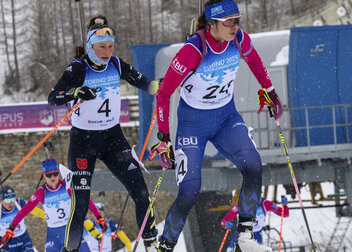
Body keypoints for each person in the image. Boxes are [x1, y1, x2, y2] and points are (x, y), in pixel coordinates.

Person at [148, 0, 284, 251]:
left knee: (253, 165)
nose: (235, 26)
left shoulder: (239, 39)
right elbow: (164, 93)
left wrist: (271, 91)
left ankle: (245, 235)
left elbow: (255, 62)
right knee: (189, 191)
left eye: (238, 20)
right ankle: (164, 246)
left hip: (225, 118)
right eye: (229, 22)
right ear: (212, 24)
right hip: (192, 126)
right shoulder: (193, 50)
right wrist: (164, 137)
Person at [48, 16, 160, 252]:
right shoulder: (79, 67)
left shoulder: (117, 64)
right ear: (90, 46)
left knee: (140, 192)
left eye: (110, 46)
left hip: (113, 139)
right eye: (102, 47)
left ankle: (151, 242)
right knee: (80, 205)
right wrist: (75, 91)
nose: (107, 51)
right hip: (83, 142)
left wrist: (161, 85)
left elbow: (144, 83)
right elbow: (54, 97)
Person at [1, 159, 104, 252]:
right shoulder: (41, 193)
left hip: (71, 230)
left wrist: (99, 217)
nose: (52, 177)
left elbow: (85, 200)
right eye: (49, 175)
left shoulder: (67, 186)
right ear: (44, 175)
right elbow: (24, 211)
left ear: (58, 173)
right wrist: (11, 228)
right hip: (54, 234)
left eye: (55, 174)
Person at [221, 196, 289, 252]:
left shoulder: (266, 204)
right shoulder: (241, 204)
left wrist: (284, 205)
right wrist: (226, 223)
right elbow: (225, 221)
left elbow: (284, 213)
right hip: (241, 233)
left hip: (256, 234)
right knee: (232, 249)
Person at [0, 186, 45, 252]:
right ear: (1, 200)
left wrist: (48, 216)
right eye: (7, 200)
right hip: (6, 243)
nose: (10, 203)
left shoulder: (20, 203)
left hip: (23, 240)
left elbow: (36, 211)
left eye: (13, 199)